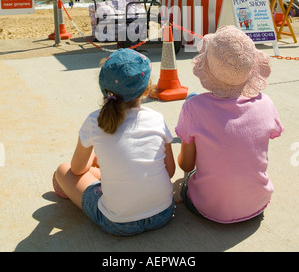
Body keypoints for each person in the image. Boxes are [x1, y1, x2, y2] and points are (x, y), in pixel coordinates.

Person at [52, 48, 175, 235]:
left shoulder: (94, 121)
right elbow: (170, 170)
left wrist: (94, 153)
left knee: (63, 170)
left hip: (118, 223)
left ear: (105, 88)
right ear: (145, 90)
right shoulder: (157, 118)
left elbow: (77, 170)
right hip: (163, 213)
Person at [175, 25, 283, 224]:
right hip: (257, 203)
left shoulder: (194, 107)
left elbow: (186, 164)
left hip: (209, 207)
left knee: (193, 101)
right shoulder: (266, 103)